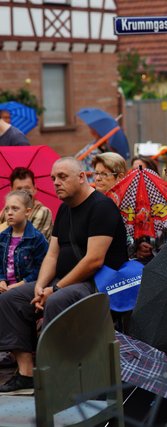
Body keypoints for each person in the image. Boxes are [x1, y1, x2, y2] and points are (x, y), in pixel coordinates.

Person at [0, 157, 128, 394]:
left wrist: (55, 289)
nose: (56, 182)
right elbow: (52, 254)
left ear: (82, 177)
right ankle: (26, 373)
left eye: (62, 177)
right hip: (62, 282)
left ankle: (58, 376)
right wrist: (40, 286)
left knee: (58, 301)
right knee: (11, 299)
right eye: (53, 178)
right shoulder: (64, 209)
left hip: (96, 283)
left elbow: (94, 260)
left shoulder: (102, 207)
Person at [0, 190, 48, 291]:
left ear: (27, 212)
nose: (9, 213)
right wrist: (1, 280)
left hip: (27, 288)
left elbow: (42, 268)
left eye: (15, 208)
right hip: (4, 288)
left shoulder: (37, 238)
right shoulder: (2, 237)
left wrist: (20, 284)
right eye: (7, 209)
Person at [0, 167, 53, 240]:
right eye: (19, 189)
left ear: (35, 189)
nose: (23, 192)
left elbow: (28, 241)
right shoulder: (6, 210)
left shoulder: (43, 212)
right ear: (11, 191)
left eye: (27, 188)